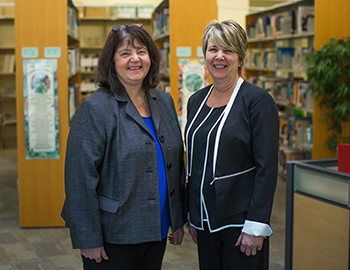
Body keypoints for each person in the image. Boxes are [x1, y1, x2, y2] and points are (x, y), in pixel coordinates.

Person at [61, 24, 186, 270]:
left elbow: (174, 162)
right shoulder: (96, 109)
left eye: (141, 51)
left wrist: (177, 219)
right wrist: (88, 238)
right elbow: (79, 179)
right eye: (125, 53)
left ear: (151, 57)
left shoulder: (163, 100)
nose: (135, 59)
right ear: (112, 61)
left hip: (157, 228)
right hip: (114, 235)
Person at [185, 20, 279, 270]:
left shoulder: (257, 101)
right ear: (205, 54)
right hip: (205, 222)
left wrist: (256, 226)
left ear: (240, 58)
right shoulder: (196, 101)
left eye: (228, 50)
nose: (219, 56)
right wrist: (193, 216)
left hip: (241, 226)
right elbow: (195, 161)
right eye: (213, 49)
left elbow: (266, 168)